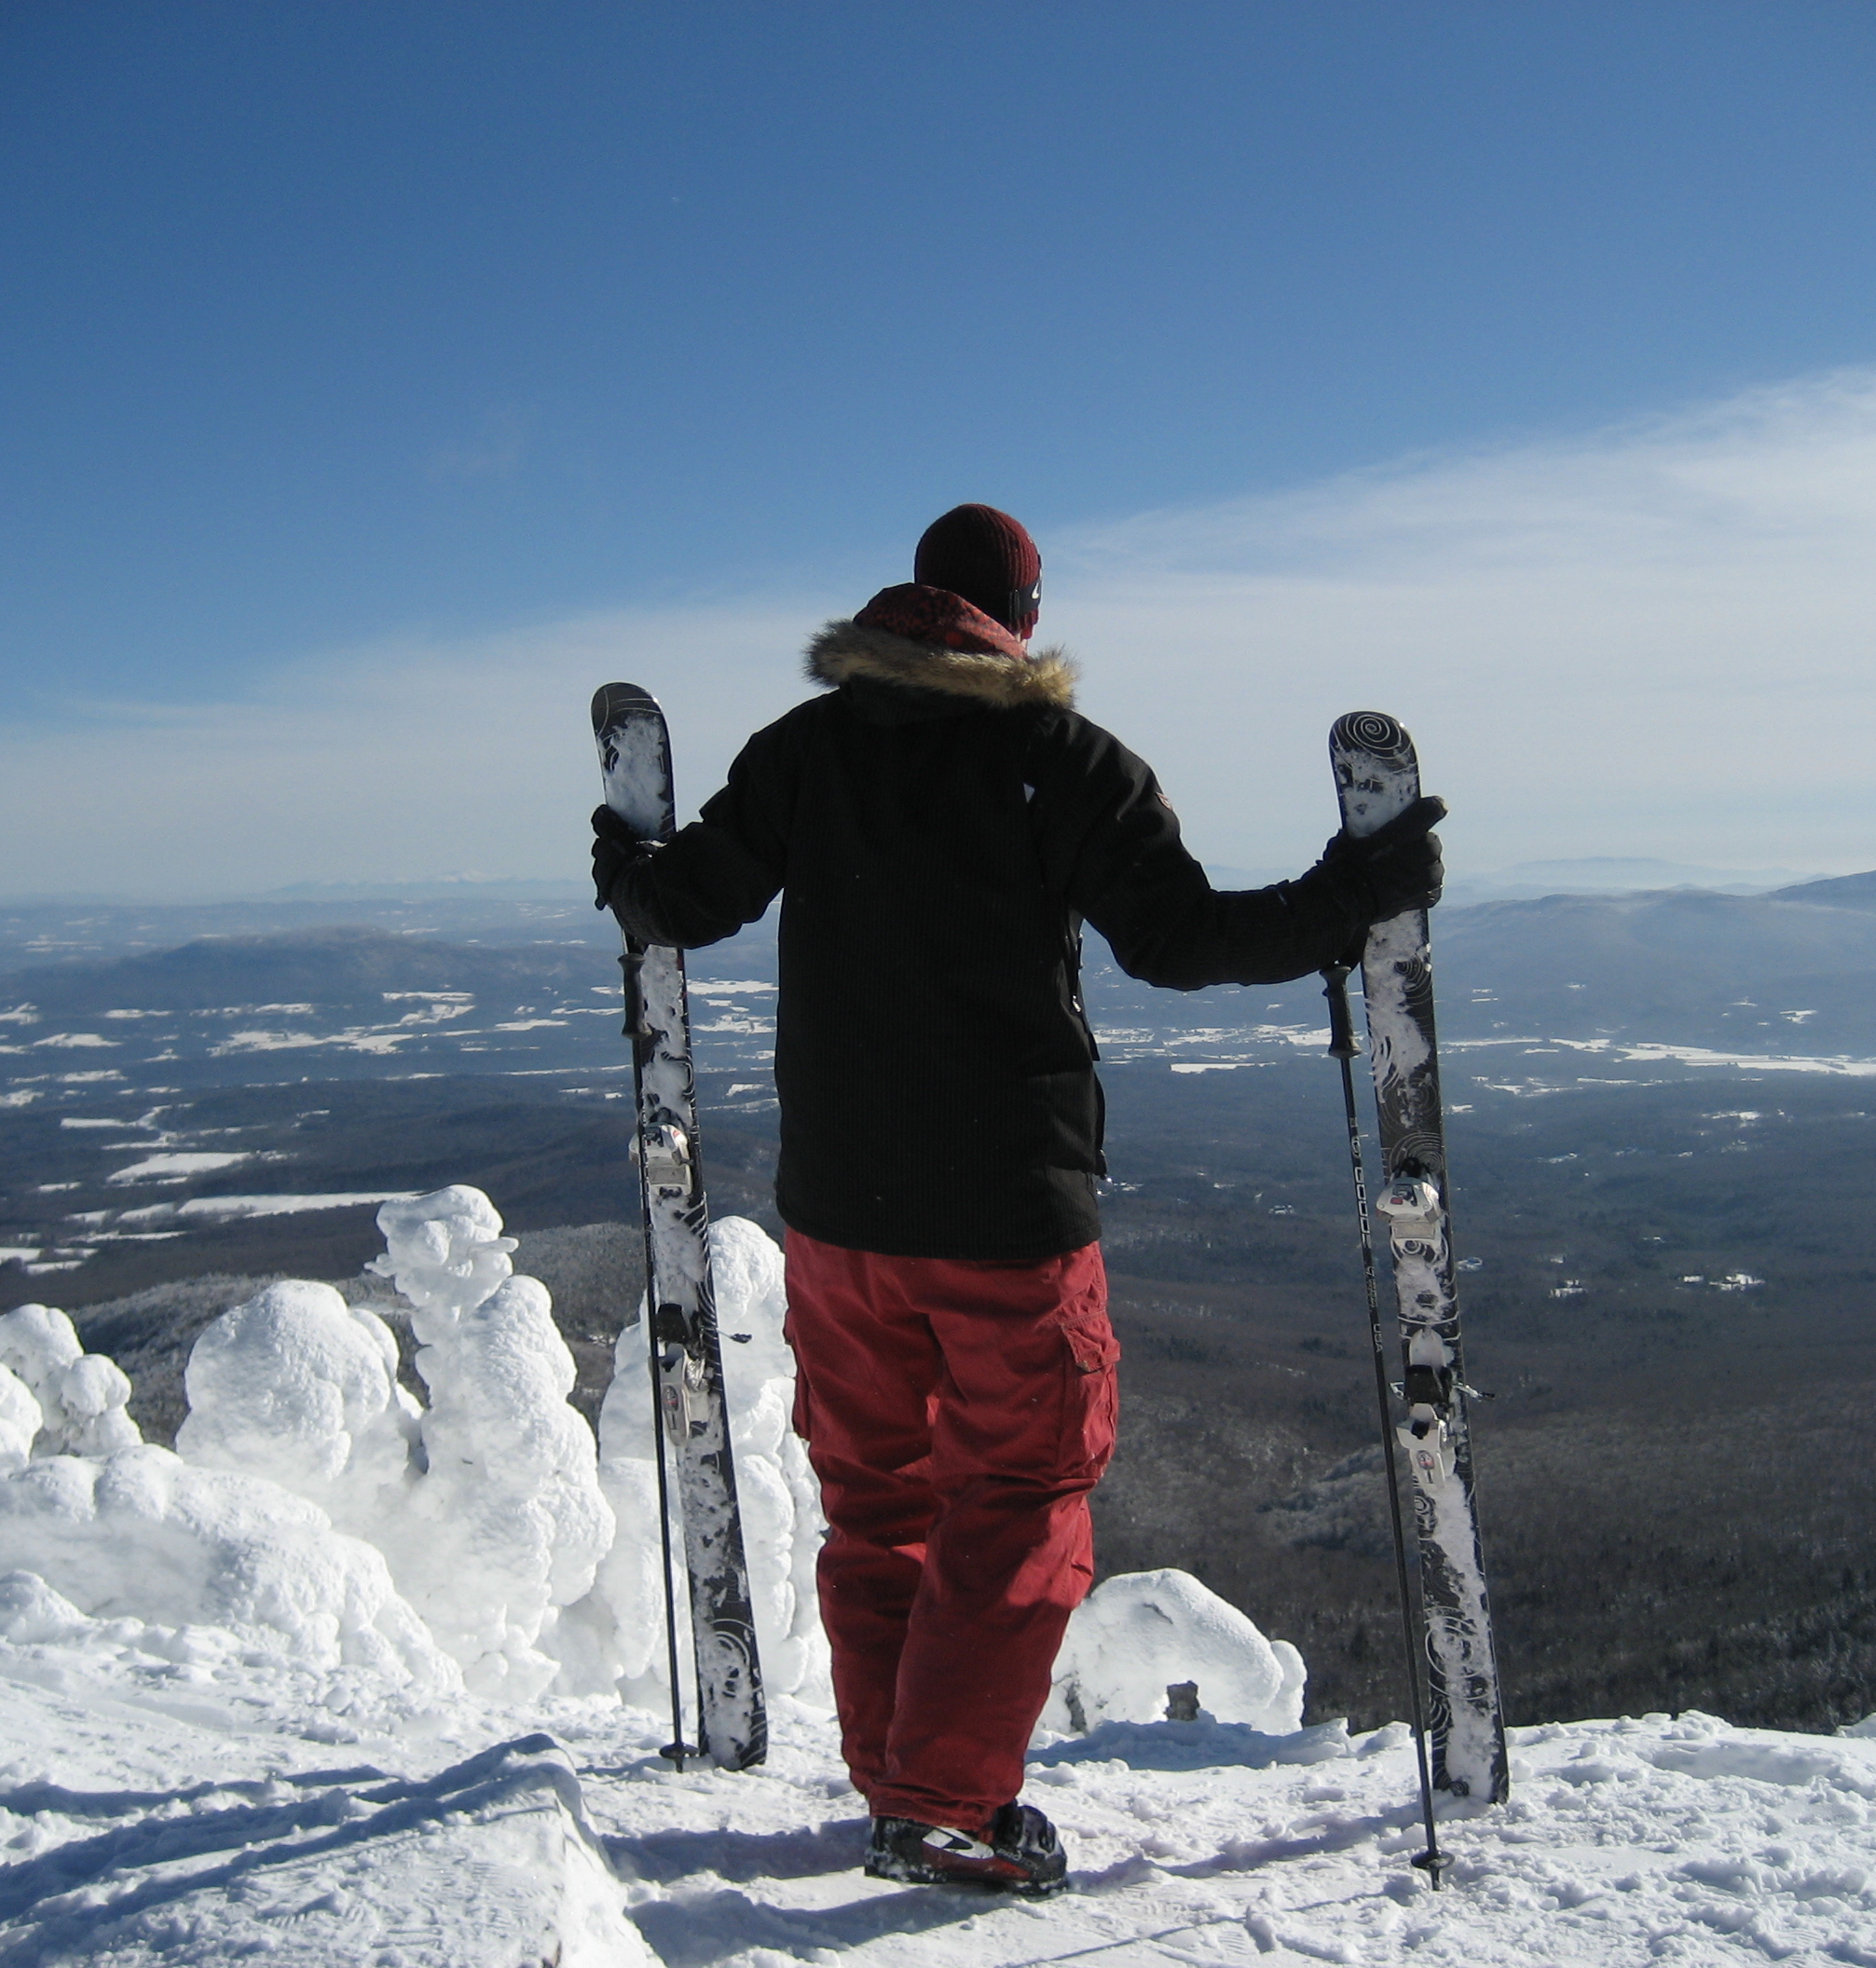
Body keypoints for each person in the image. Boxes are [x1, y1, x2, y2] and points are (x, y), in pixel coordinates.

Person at [592, 503, 1443, 1894]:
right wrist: (1355, 891)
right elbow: (1183, 938)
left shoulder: (808, 750)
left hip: (838, 1217)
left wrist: (625, 863)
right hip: (1004, 1218)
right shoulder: (1060, 759)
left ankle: (906, 1788)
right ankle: (942, 1807)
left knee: (879, 1500)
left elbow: (681, 906)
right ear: (1023, 618)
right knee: (1024, 1490)